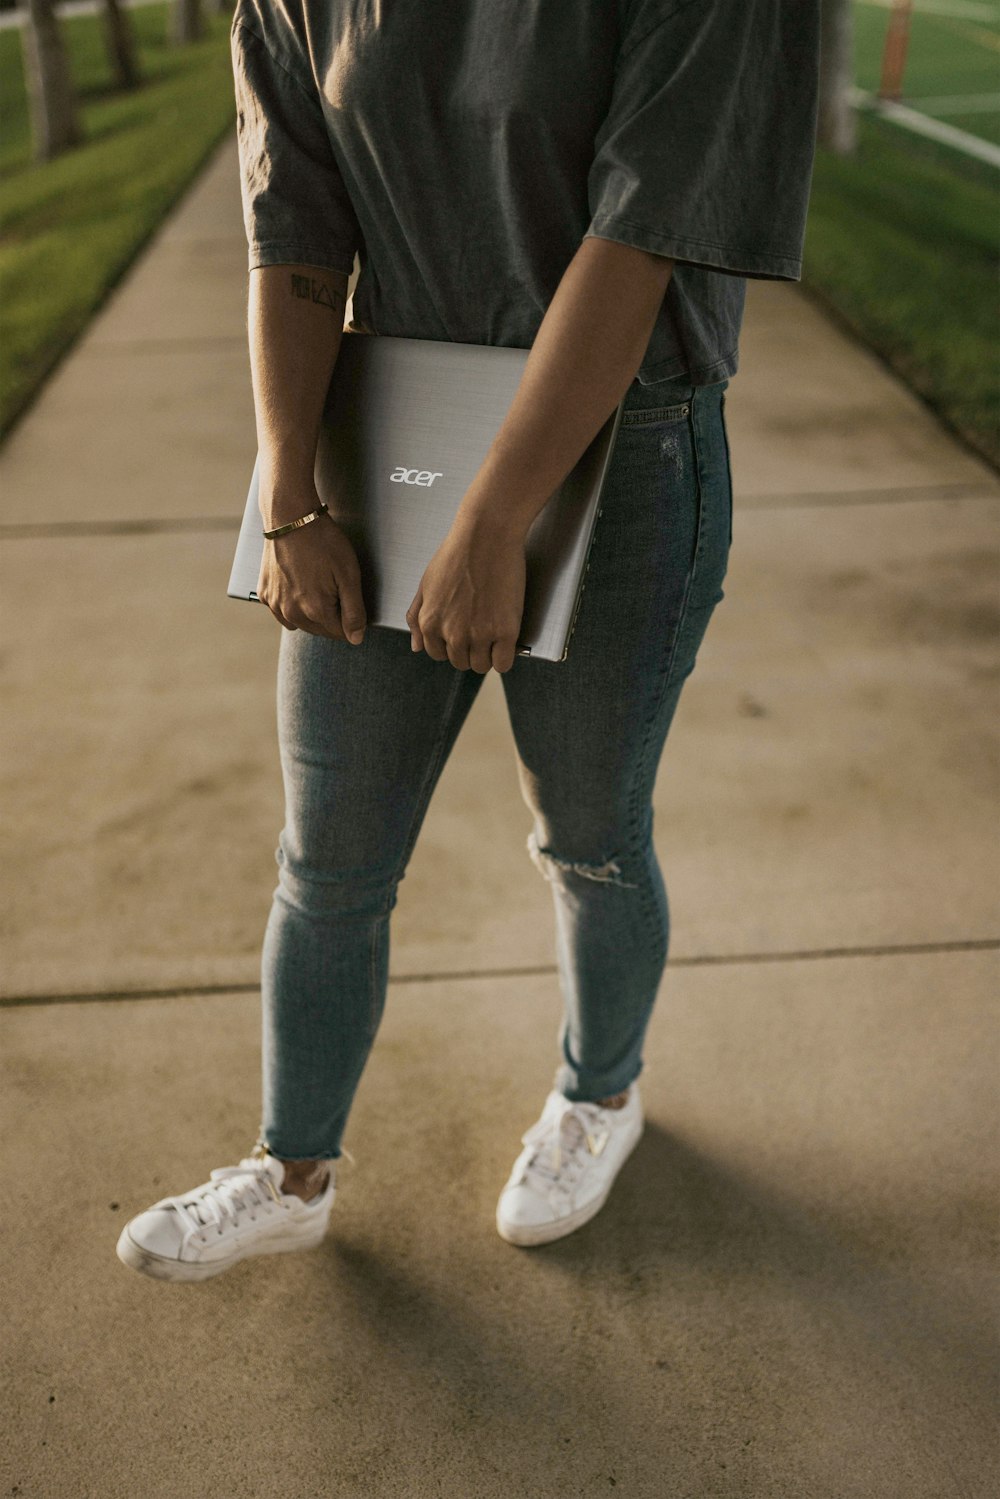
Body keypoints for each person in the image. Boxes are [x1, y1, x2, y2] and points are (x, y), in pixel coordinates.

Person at [117, 0, 820, 1282]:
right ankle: (291, 1170)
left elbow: (644, 224)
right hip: (385, 429)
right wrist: (288, 498)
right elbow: (296, 230)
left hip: (625, 443)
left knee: (590, 836)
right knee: (327, 858)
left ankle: (599, 1095)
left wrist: (499, 519)